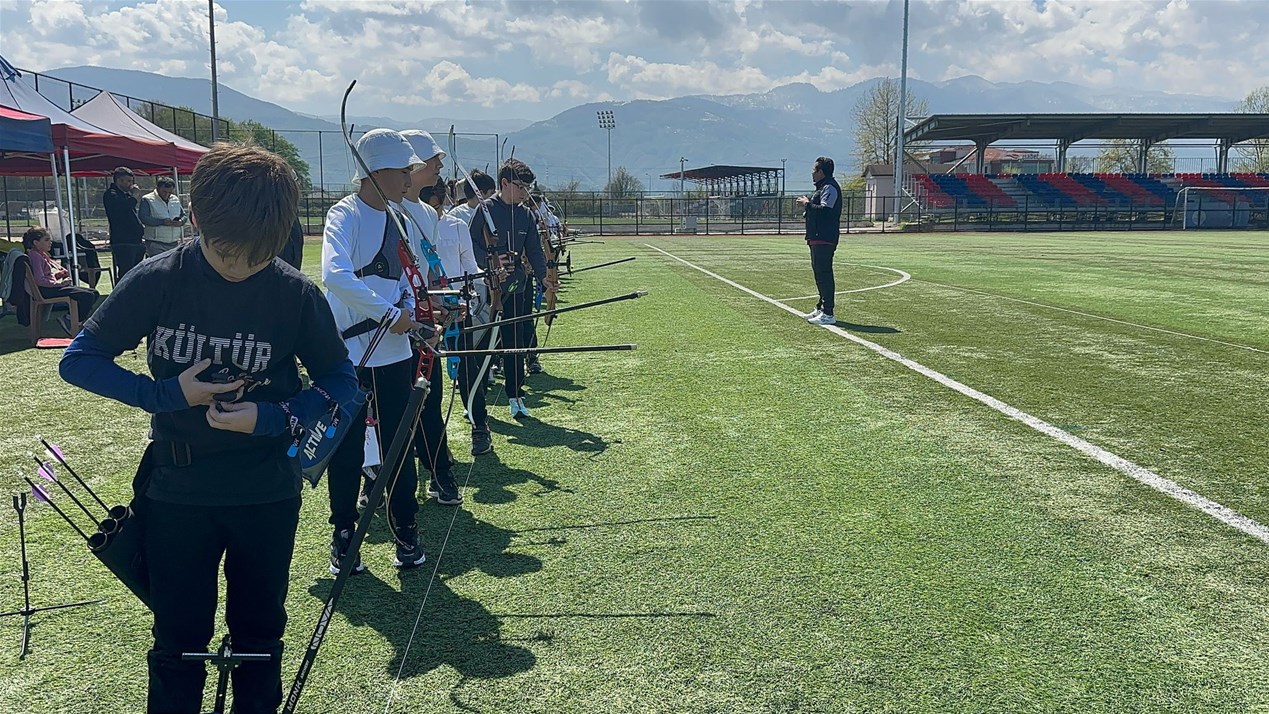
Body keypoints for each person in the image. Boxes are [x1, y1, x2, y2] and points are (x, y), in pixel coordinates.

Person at [59, 143, 360, 714]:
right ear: (195, 219)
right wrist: (167, 394)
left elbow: (341, 383)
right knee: (177, 640)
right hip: (177, 490)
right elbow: (79, 360)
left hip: (267, 491)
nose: (239, 265)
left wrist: (273, 417)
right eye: (226, 252)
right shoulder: (157, 280)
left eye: (257, 256)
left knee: (260, 638)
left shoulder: (295, 293)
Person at [322, 128, 436, 572]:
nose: (409, 178)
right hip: (348, 357)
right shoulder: (344, 214)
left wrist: (411, 315)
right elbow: (335, 276)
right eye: (402, 170)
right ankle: (343, 536)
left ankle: (405, 531)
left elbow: (405, 279)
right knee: (347, 449)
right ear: (375, 172)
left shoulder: (398, 218)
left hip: (394, 353)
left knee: (398, 446)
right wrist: (392, 316)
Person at [397, 130, 461, 506]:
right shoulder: (382, 209)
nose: (439, 165)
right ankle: (378, 479)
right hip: (389, 327)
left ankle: (439, 472)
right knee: (387, 411)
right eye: (433, 159)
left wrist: (444, 301)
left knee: (430, 400)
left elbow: (430, 270)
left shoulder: (426, 212)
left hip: (424, 328)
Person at [469, 159, 556, 418]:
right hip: (487, 288)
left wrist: (543, 277)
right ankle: (475, 399)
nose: (525, 193)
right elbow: (471, 244)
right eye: (520, 186)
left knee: (514, 343)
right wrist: (490, 262)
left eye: (528, 187)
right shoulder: (485, 209)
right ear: (504, 183)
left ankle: (516, 396)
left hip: (517, 285)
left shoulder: (525, 214)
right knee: (482, 344)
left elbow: (534, 250)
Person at [438, 170, 493, 455]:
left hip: (458, 308)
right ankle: (425, 441)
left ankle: (479, 426)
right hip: (421, 311)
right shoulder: (405, 222)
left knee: (466, 371)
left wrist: (488, 280)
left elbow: (471, 266)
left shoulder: (456, 225)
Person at [22, 226, 98, 334]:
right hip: (46, 290)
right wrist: (59, 284)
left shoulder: (42, 254)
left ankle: (74, 319)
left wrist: (59, 275)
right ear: (36, 242)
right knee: (87, 296)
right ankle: (71, 321)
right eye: (46, 240)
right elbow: (39, 280)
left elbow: (46, 275)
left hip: (50, 287)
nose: (50, 243)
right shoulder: (35, 256)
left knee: (94, 293)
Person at [797, 156, 842, 326]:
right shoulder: (823, 187)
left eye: (814, 170)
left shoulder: (829, 187)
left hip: (825, 237)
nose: (812, 173)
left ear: (821, 172)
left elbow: (825, 211)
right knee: (819, 274)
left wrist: (807, 204)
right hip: (817, 237)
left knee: (824, 274)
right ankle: (821, 307)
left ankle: (828, 312)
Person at [103, 166, 146, 279]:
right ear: (119, 180)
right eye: (128, 181)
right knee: (126, 273)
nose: (130, 184)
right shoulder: (111, 194)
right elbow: (124, 208)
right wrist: (135, 196)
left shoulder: (125, 195)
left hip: (135, 240)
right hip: (123, 241)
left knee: (136, 273)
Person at [139, 176, 187, 257]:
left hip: (174, 243)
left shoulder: (175, 199)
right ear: (157, 188)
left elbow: (184, 215)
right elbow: (143, 218)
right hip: (155, 243)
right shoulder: (147, 199)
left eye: (170, 192)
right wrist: (162, 222)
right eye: (164, 191)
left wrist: (181, 221)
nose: (167, 194)